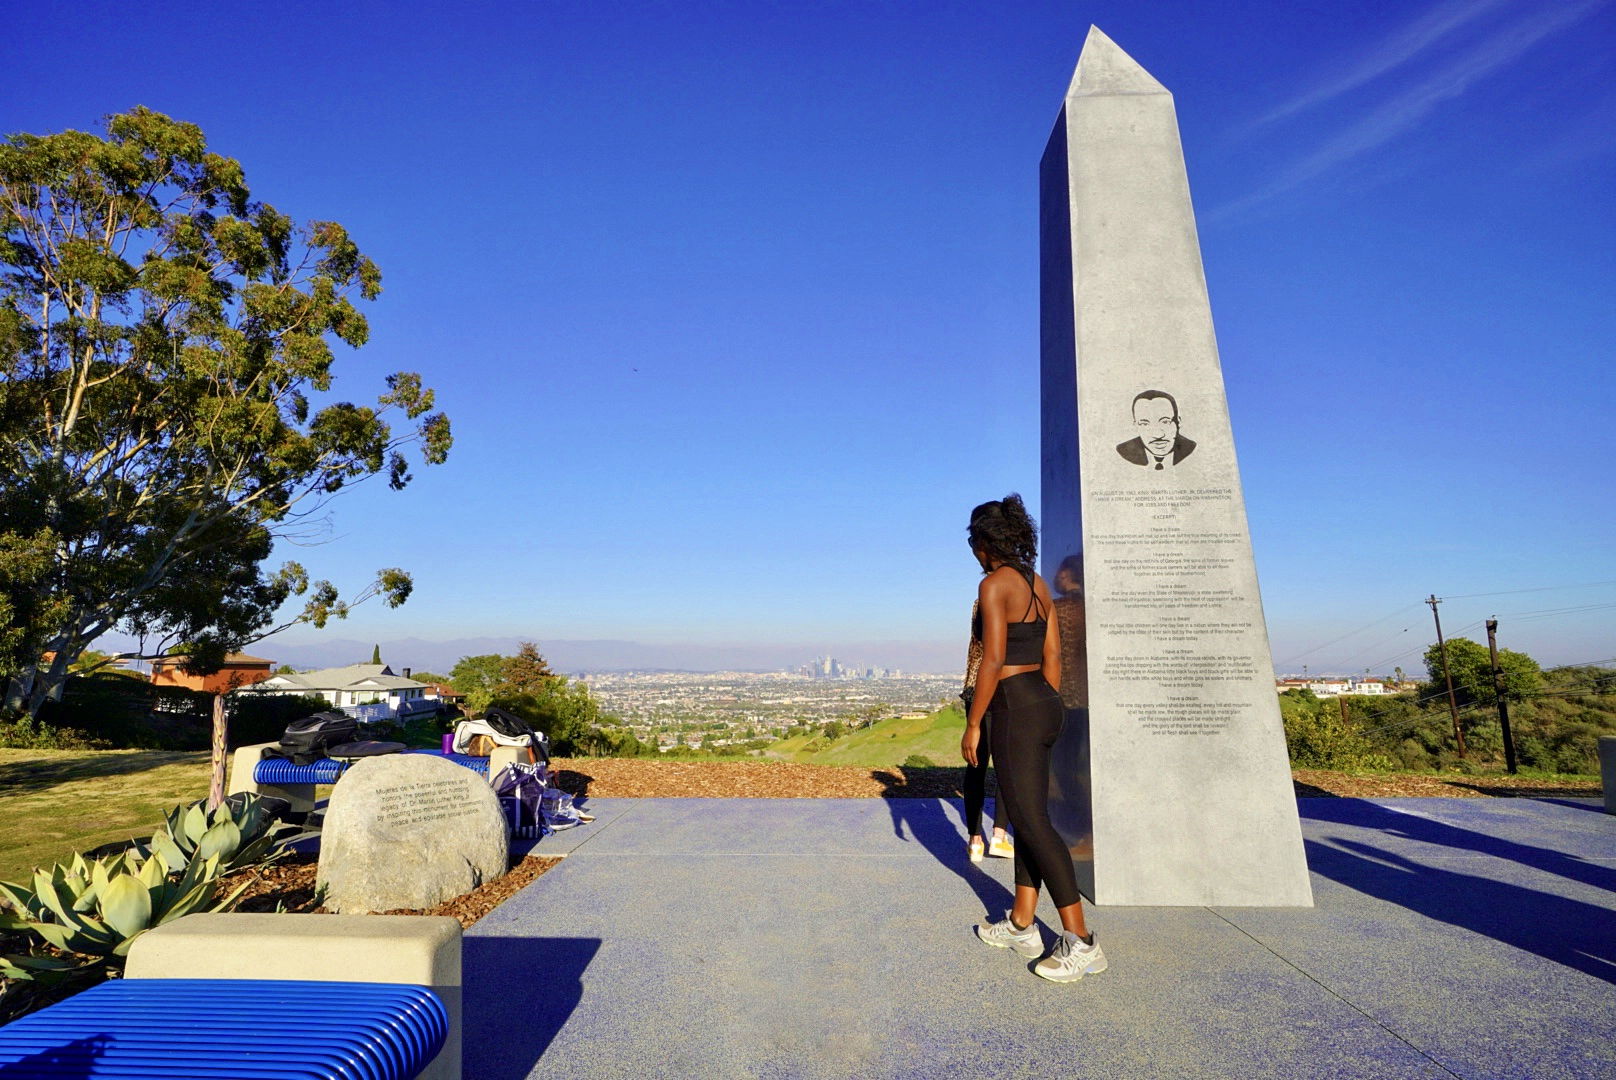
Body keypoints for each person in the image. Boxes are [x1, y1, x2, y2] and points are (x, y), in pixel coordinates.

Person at [961, 494, 1106, 982]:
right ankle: (1023, 922)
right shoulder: (1037, 583)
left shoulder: (993, 584)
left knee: (1035, 824)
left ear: (986, 542)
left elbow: (994, 660)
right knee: (1027, 817)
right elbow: (1054, 657)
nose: (973, 551)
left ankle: (1081, 942)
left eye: (973, 541)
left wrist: (975, 721)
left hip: (1012, 707)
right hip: (1045, 703)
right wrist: (1044, 702)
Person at [960, 602, 1013, 863]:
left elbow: (977, 642)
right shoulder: (1013, 600)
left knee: (976, 766)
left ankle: (975, 841)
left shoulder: (981, 601)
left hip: (975, 684)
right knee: (1006, 764)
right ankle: (999, 835)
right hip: (1004, 686)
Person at [1116, 389, 1196, 468]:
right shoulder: (1125, 451)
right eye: (1145, 424)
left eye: (1165, 422)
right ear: (1136, 426)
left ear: (1178, 422)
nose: (1157, 435)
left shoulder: (1190, 450)